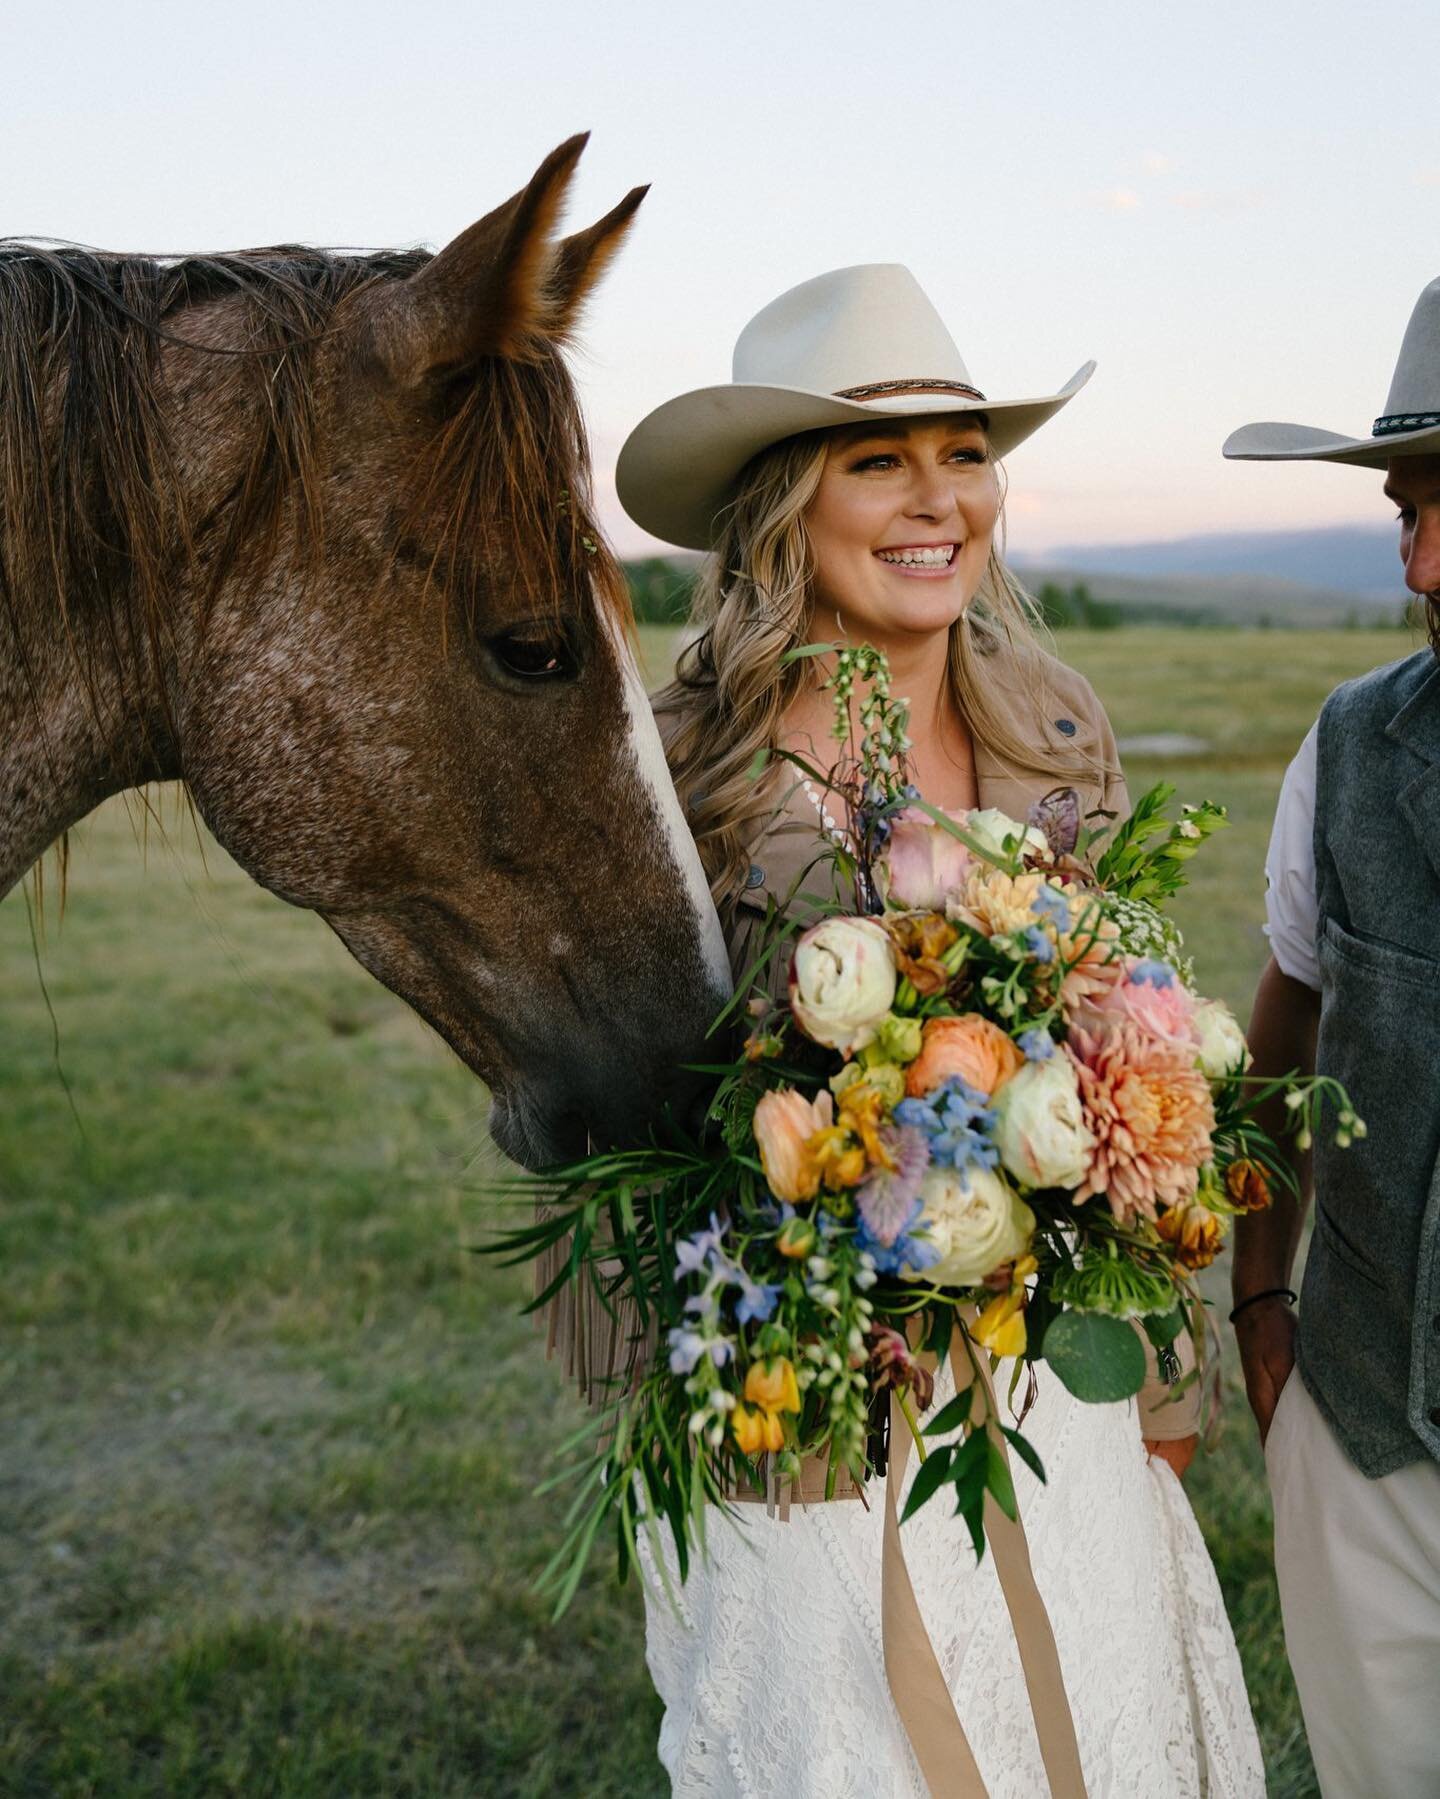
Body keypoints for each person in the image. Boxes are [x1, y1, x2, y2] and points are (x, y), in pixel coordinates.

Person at [599, 264, 1263, 1797]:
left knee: (1088, 1724)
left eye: (965, 454)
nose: (937, 500)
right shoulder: (677, 763)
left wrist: (1161, 1378)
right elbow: (615, 1117)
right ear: (784, 501)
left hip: (1045, 1390)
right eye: (878, 458)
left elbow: (1131, 1063)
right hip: (805, 1402)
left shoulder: (1051, 716)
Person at [1224, 280, 1440, 1798]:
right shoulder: (1352, 743)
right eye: (1405, 515)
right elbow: (1284, 1039)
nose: (1425, 562)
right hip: (1366, 1430)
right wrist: (1258, 1310)